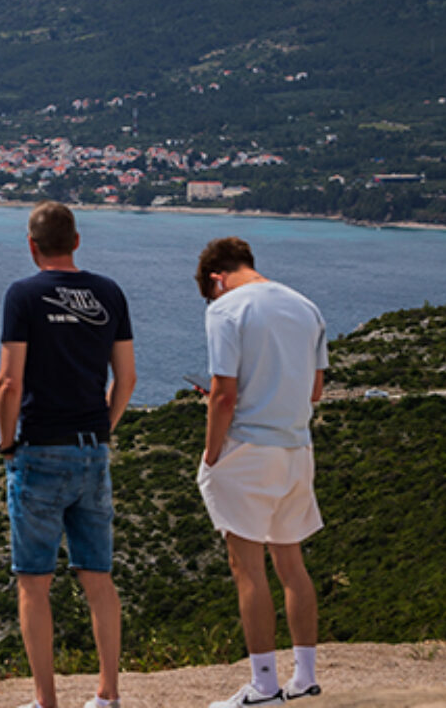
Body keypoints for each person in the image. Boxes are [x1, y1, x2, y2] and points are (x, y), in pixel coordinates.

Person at [0, 201, 136, 708]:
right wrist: (103, 429)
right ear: (76, 241)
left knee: (34, 583)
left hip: (40, 449)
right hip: (91, 450)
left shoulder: (23, 295)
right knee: (98, 577)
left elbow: (9, 382)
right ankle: (108, 694)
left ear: (31, 246)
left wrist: (7, 443)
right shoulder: (109, 292)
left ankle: (46, 700)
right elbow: (127, 378)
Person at [194, 237, 327, 708]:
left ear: (217, 279)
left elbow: (224, 394)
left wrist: (212, 454)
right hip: (296, 449)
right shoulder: (306, 307)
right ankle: (305, 678)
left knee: (247, 568)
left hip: (248, 451)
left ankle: (264, 686)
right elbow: (315, 390)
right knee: (291, 564)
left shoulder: (225, 310)